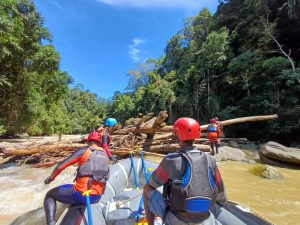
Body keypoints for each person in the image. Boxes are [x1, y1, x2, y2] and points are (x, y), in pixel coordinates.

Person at [143, 117, 227, 225]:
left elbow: (152, 183)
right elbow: (221, 195)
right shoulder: (210, 160)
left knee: (146, 188)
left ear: (177, 135)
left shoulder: (171, 160)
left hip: (177, 220)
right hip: (206, 219)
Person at [43, 132, 110, 225]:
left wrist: (51, 178)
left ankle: (51, 223)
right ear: (100, 143)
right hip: (97, 196)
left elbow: (60, 166)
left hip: (81, 194)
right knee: (72, 188)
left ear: (88, 142)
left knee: (49, 195)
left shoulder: (85, 150)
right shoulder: (105, 154)